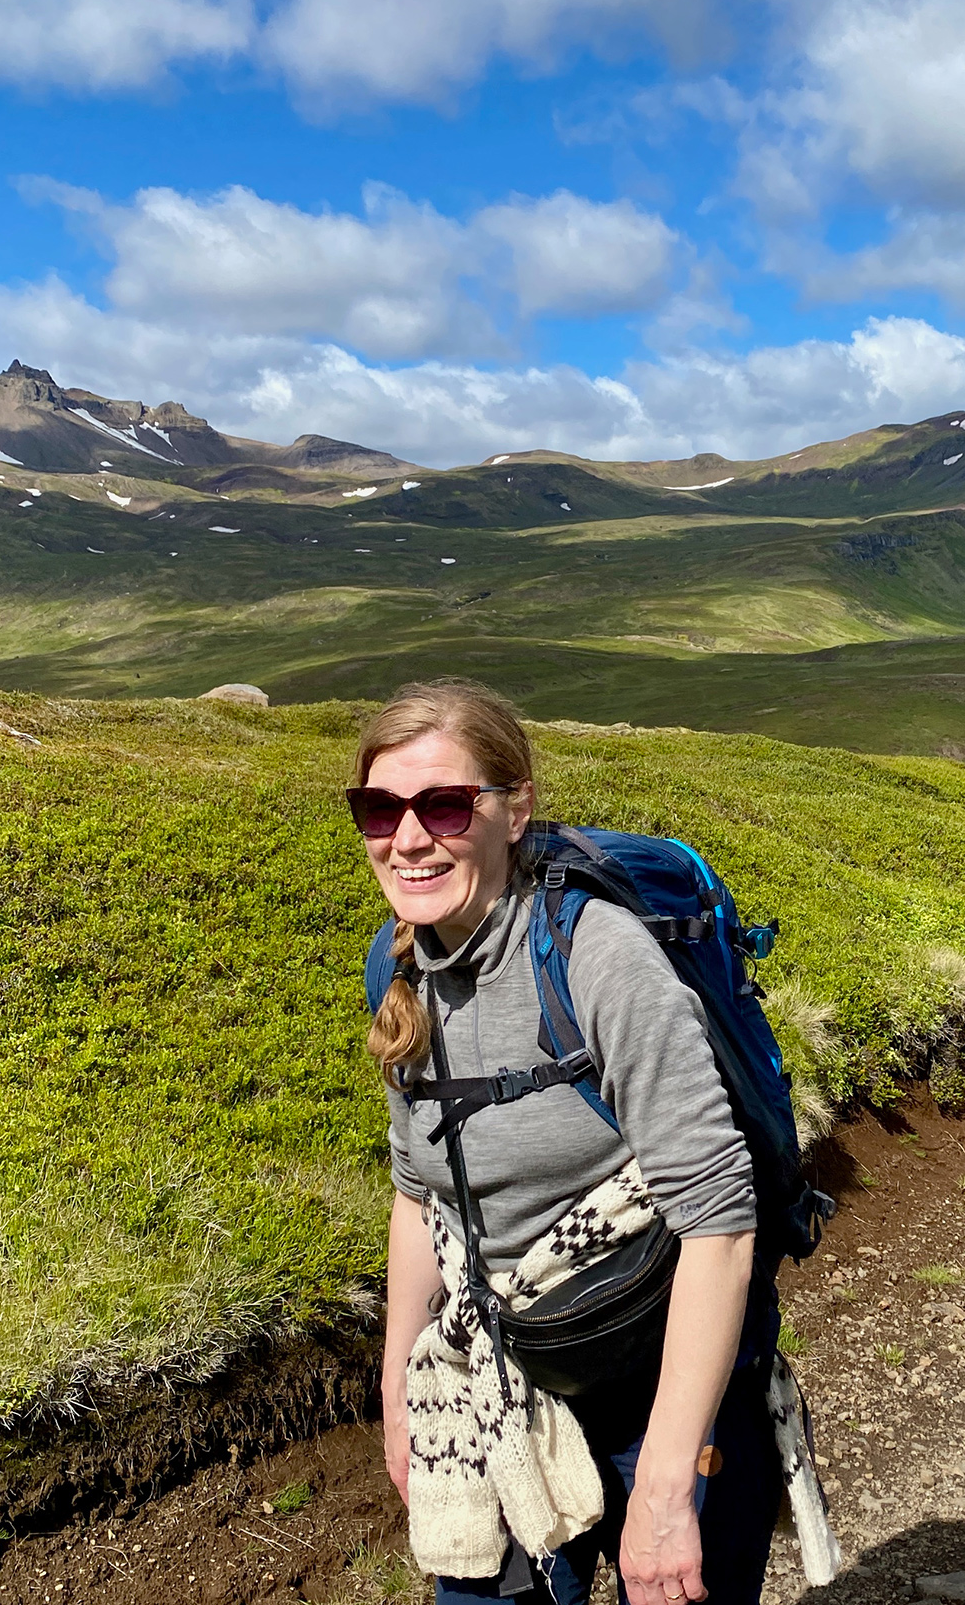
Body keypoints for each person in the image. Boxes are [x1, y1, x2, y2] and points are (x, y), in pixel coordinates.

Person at [348, 681, 784, 1605]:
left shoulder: (600, 957)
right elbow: (419, 1192)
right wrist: (398, 1387)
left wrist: (667, 1487)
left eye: (447, 804)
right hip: (497, 1382)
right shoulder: (396, 966)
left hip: (659, 1377)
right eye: (381, 808)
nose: (410, 836)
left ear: (516, 807)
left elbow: (720, 1221)